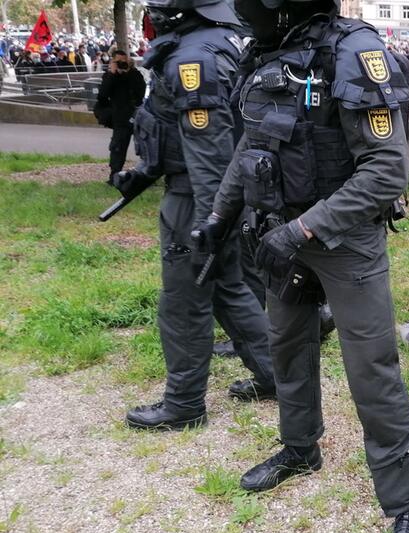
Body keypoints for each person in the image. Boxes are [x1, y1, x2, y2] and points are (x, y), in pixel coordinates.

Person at [208, 0, 409, 529]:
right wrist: (219, 213)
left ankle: (407, 505)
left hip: (345, 241)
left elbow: (385, 171)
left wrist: (302, 230)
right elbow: (252, 145)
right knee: (286, 347)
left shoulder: (354, 52)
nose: (244, 13)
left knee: (371, 368)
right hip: (280, 233)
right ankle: (299, 448)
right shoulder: (267, 55)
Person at [112, 0, 277, 431]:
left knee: (184, 303)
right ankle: (274, 375)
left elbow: (210, 158)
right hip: (214, 196)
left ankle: (184, 404)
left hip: (197, 200)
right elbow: (180, 133)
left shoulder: (193, 59)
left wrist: (209, 225)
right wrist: (145, 172)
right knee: (228, 288)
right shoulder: (220, 42)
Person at [94, 50, 146, 178]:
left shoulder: (134, 74)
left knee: (145, 144)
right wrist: (112, 73)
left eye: (124, 61)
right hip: (120, 116)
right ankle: (115, 174)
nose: (122, 64)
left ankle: (147, 172)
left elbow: (141, 90)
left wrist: (129, 71)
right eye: (119, 62)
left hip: (136, 115)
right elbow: (102, 96)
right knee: (118, 146)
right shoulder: (109, 76)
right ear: (113, 61)